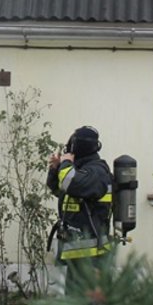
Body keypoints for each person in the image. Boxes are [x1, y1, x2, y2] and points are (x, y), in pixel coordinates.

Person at [46, 125, 114, 293]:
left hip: (91, 255)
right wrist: (56, 169)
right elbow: (61, 191)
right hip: (79, 252)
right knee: (74, 302)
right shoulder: (82, 170)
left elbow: (70, 183)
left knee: (88, 303)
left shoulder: (96, 171)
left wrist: (66, 163)